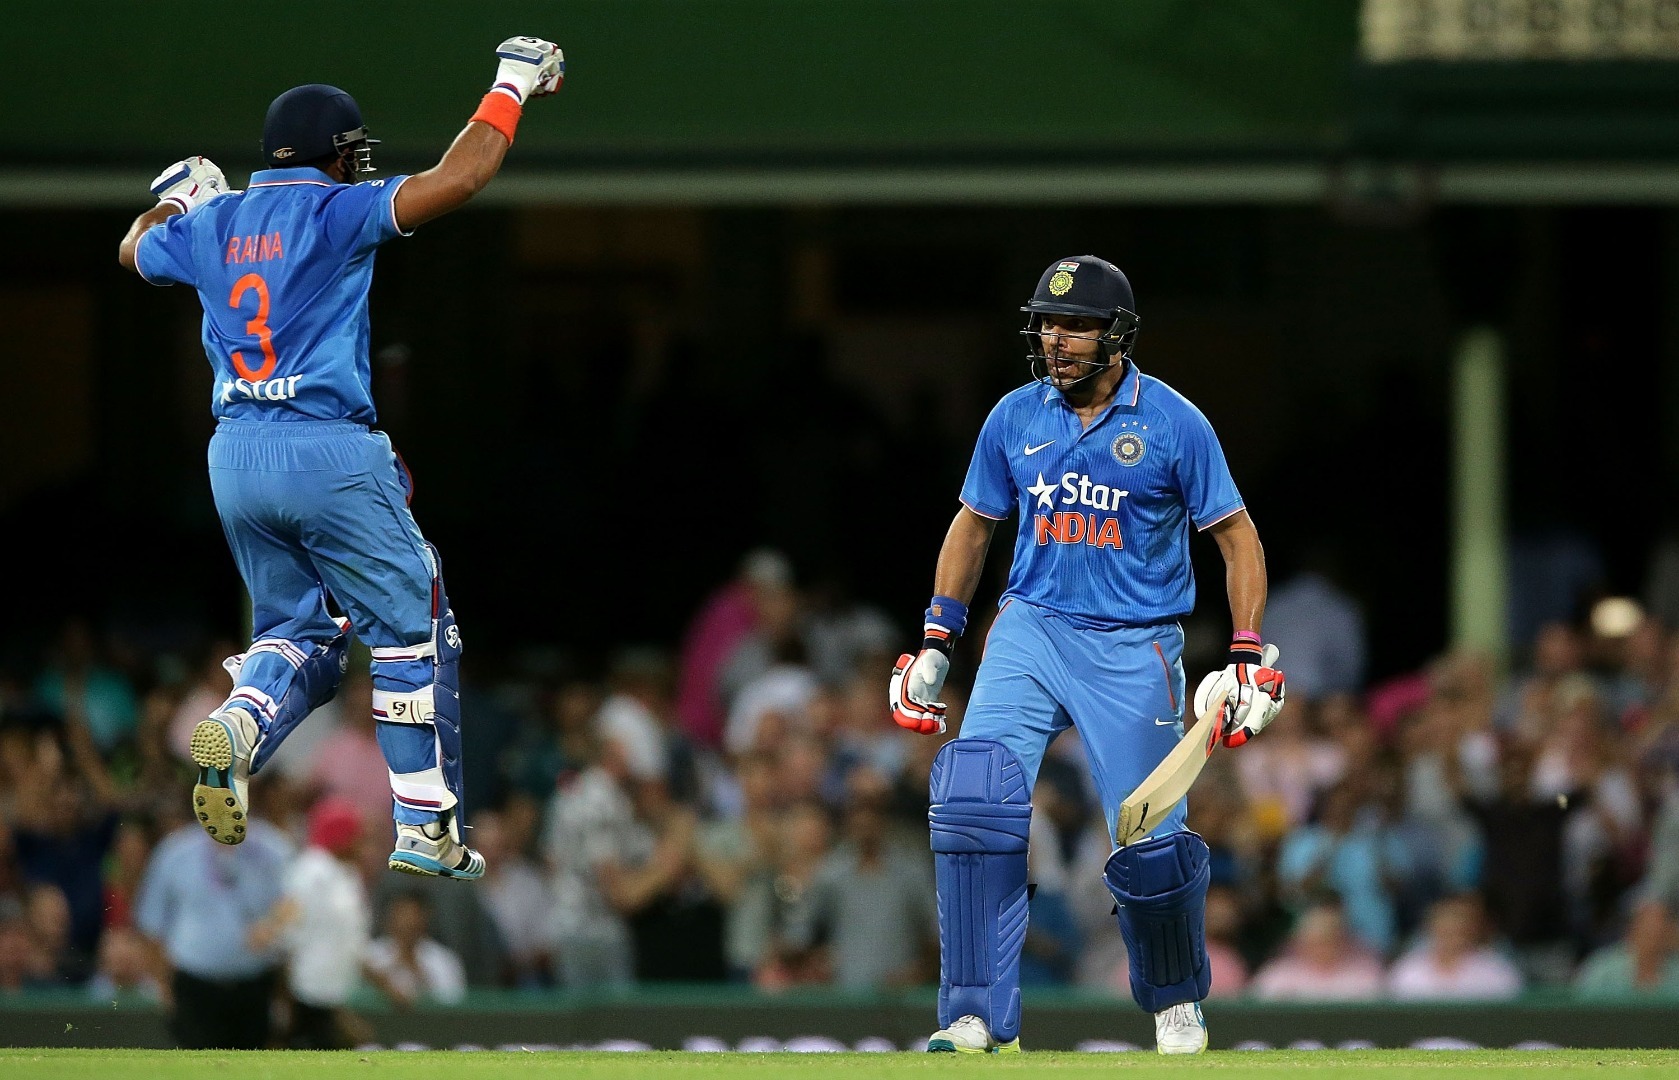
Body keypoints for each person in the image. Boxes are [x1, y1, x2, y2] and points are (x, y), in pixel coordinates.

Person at [115, 37, 566, 878]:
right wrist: (510, 85)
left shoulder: (213, 223)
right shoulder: (333, 210)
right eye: (352, 150)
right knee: (412, 628)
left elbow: (132, 251)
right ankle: (424, 825)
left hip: (235, 456)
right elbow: (460, 177)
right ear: (333, 152)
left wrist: (179, 199)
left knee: (298, 635)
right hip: (325, 448)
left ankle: (242, 720)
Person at [887, 256, 1285, 1054]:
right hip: (1029, 628)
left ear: (1117, 335)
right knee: (973, 802)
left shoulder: (1173, 422)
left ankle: (1174, 1003)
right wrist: (936, 636)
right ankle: (972, 1014)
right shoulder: (1013, 416)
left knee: (1148, 837)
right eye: (1046, 323)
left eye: (1075, 326)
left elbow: (1237, 537)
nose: (1055, 339)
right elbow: (973, 525)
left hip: (1133, 642)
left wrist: (1246, 653)